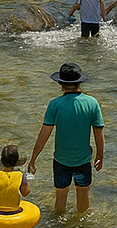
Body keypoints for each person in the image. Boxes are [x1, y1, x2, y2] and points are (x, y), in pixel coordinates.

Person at [26, 62, 105, 215]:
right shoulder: (92, 103)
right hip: (83, 160)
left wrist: (33, 158)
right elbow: (98, 133)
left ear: (61, 83)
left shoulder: (55, 104)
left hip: (61, 161)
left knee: (60, 199)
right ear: (80, 82)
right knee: (83, 200)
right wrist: (100, 156)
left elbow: (44, 133)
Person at [0, 144, 31, 215]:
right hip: (14, 211)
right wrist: (25, 182)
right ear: (16, 162)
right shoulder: (20, 175)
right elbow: (25, 193)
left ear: (1, 161)